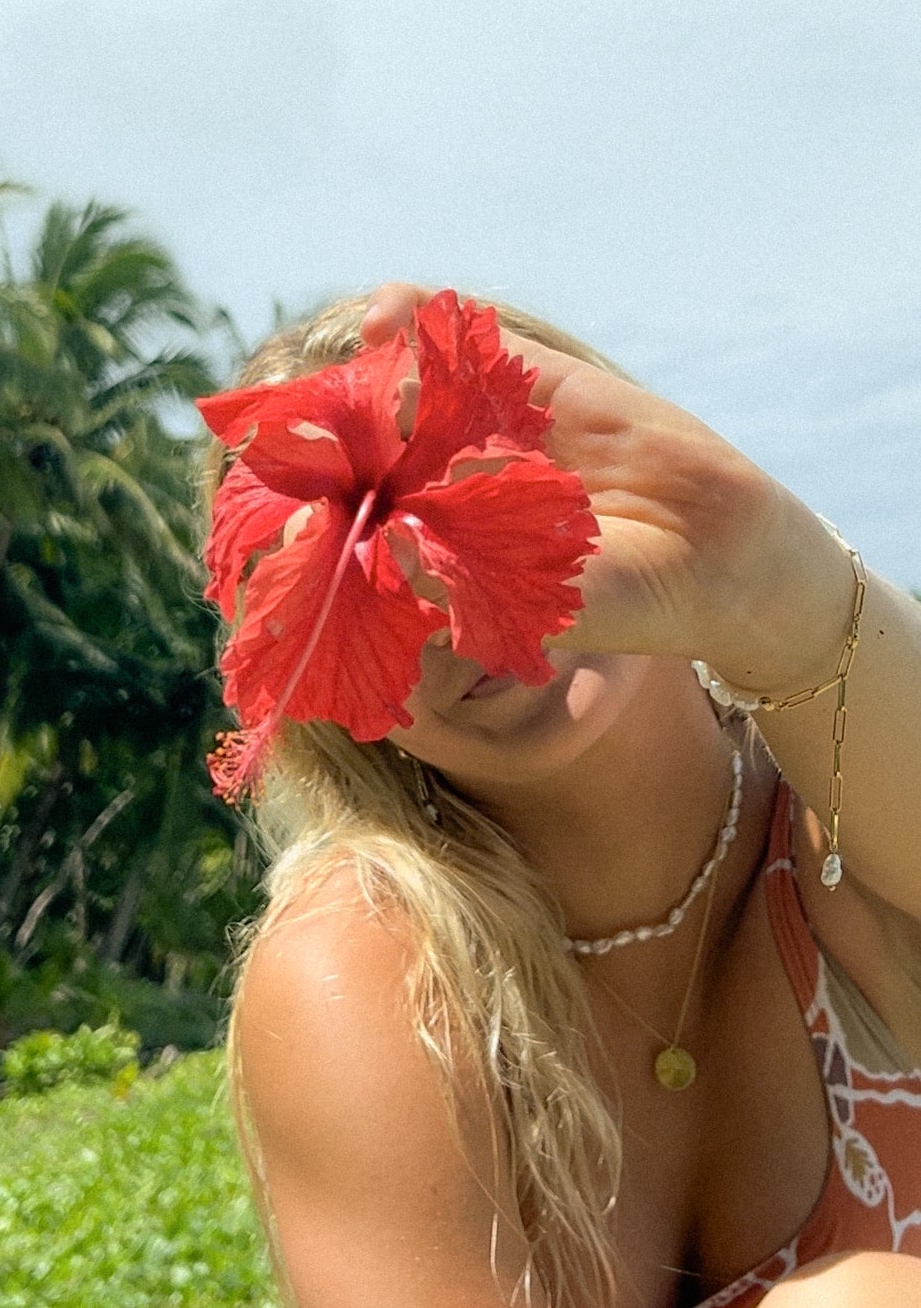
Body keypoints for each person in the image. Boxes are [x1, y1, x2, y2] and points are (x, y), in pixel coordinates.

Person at [199, 284, 921, 1308]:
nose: (448, 605)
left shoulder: (838, 822)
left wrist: (769, 577)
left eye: (476, 492)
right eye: (357, 584)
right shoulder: (370, 968)